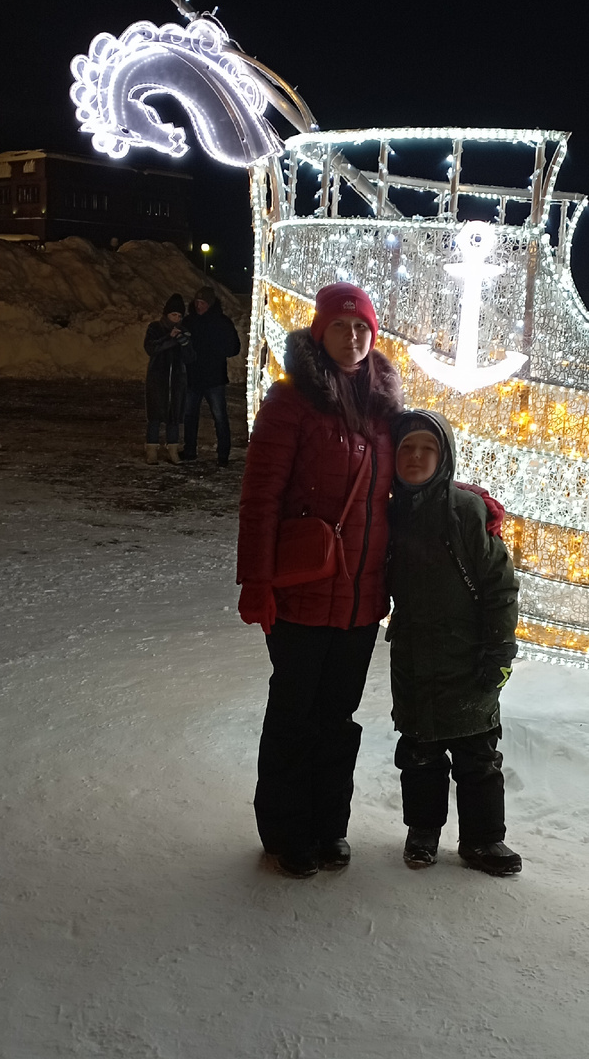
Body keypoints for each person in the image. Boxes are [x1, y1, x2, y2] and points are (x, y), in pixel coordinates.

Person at [236, 282, 403, 878]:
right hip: (303, 592)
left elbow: (418, 479)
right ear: (319, 332)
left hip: (360, 600)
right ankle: (286, 833)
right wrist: (255, 583)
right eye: (341, 326)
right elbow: (260, 500)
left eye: (362, 329)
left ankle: (329, 827)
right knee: (294, 714)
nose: (353, 337)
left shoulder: (387, 413)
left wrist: (470, 503)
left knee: (338, 720)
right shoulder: (290, 403)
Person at [387, 409, 522, 877]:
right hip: (413, 655)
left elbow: (499, 588)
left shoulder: (466, 512)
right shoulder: (387, 511)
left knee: (477, 753)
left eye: (428, 447)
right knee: (421, 750)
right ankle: (423, 830)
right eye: (406, 447)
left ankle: (484, 840)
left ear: (444, 457)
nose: (416, 456)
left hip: (469, 654)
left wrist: (499, 650)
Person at [181, 285, 241, 467]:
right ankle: (190, 450)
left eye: (203, 303)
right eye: (197, 302)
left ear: (210, 304)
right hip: (194, 377)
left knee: (220, 416)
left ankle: (223, 454)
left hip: (214, 378)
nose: (199, 306)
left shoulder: (222, 323)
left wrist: (215, 350)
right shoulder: (189, 322)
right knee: (190, 415)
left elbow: (234, 348)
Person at [143, 293, 194, 464]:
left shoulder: (184, 331)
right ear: (167, 314)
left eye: (179, 316)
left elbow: (191, 358)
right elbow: (151, 348)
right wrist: (170, 339)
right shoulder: (155, 328)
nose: (176, 319)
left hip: (177, 381)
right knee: (155, 415)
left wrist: (185, 343)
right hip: (158, 379)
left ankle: (173, 449)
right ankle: (152, 449)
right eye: (174, 315)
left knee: (174, 416)